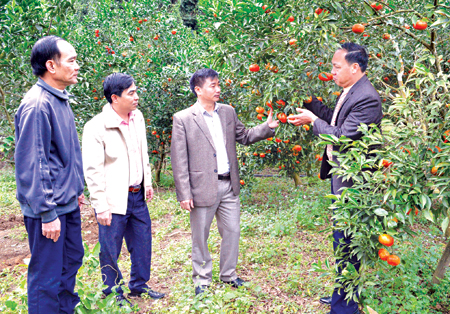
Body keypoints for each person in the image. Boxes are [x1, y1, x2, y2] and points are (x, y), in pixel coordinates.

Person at [288, 42, 382, 314]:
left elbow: (340, 136)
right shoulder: (351, 91)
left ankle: (346, 307)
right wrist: (311, 104)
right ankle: (342, 295)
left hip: (354, 185)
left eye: (336, 67)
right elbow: (336, 120)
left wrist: (311, 121)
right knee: (341, 242)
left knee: (347, 243)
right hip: (342, 178)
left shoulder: (367, 97)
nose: (332, 72)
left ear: (355, 67)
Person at [171, 68, 279, 295]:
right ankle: (202, 279)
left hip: (229, 184)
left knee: (232, 231)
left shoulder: (228, 112)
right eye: (213, 85)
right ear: (198, 90)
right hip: (202, 187)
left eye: (218, 84)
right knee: (200, 235)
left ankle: (228, 274)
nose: (218, 89)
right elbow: (179, 159)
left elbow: (245, 136)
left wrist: (266, 128)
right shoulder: (183, 119)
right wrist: (184, 193)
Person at [14, 36, 85, 314]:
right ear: (51, 66)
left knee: (70, 262)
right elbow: (33, 163)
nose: (77, 66)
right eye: (72, 60)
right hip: (49, 211)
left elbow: (63, 155)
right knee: (47, 276)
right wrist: (47, 213)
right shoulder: (37, 105)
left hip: (65, 203)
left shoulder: (60, 99)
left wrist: (76, 191)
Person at [82, 73, 164, 305]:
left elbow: (142, 152)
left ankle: (139, 286)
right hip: (113, 199)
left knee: (142, 243)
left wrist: (147, 182)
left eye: (136, 91)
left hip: (136, 195)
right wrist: (100, 205)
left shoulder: (137, 117)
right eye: (131, 93)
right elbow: (93, 170)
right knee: (110, 248)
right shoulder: (96, 127)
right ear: (115, 98)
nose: (136, 97)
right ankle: (112, 293)